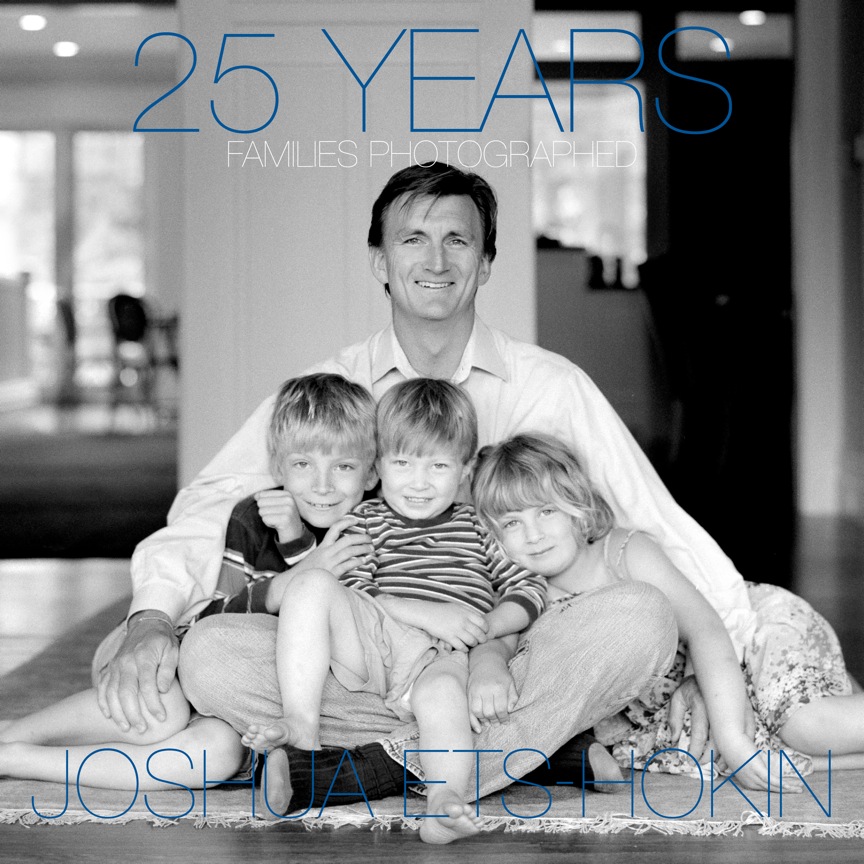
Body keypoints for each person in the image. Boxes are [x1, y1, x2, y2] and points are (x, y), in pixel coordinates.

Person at [96, 160, 727, 809]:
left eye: (458, 240)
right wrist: (152, 616)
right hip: (376, 662)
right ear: (380, 260)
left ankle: (372, 766)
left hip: (515, 648)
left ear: (485, 263)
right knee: (210, 655)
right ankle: (522, 751)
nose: (437, 259)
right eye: (413, 239)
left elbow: (650, 520)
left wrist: (711, 659)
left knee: (642, 618)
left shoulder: (552, 386)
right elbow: (214, 502)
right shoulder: (337, 390)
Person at [0, 372, 379, 791]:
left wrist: (304, 554)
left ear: (371, 473)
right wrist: (288, 579)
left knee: (216, 755)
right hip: (199, 675)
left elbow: (361, 643)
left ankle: (20, 760)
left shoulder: (373, 529)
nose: (323, 485)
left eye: (344, 466)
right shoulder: (252, 520)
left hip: (253, 707)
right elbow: (212, 623)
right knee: (163, 705)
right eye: (303, 464)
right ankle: (12, 736)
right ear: (278, 467)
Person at [244, 378, 546, 841]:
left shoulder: (478, 526)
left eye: (438, 466)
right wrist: (425, 612)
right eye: (402, 463)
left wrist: (484, 627)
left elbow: (527, 587)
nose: (418, 483)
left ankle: (445, 801)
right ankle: (301, 725)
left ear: (465, 469)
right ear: (379, 465)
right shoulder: (364, 521)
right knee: (310, 583)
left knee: (444, 693)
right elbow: (351, 587)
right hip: (375, 643)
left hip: (442, 657)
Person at [472, 432, 864, 788]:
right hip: (687, 701)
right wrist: (487, 668)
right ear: (493, 536)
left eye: (546, 511)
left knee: (804, 727)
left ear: (578, 506)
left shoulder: (623, 553)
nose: (534, 535)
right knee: (770, 762)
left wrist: (733, 740)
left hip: (749, 637)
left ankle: (822, 704)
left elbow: (706, 629)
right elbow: (494, 638)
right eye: (512, 522)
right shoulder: (523, 598)